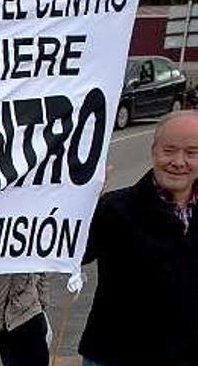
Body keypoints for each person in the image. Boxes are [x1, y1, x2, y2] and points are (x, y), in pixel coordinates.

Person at [80, 111, 198, 366]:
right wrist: (80, 205)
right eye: (169, 150)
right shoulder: (114, 208)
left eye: (191, 153)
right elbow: (73, 252)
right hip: (115, 355)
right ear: (154, 152)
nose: (179, 162)